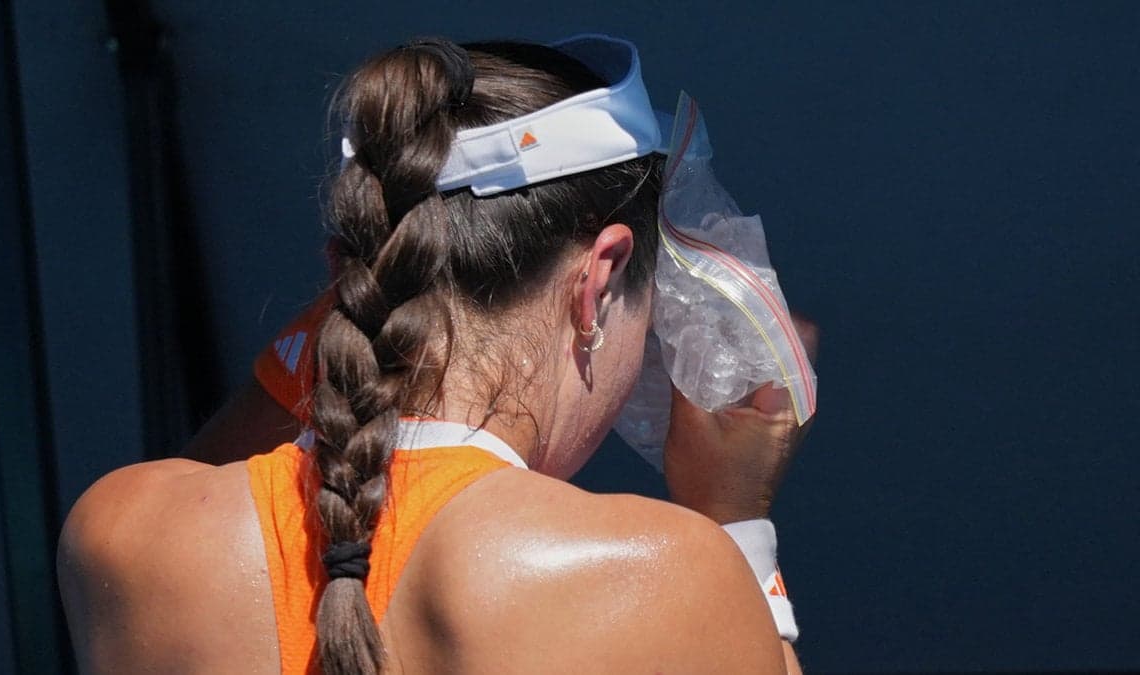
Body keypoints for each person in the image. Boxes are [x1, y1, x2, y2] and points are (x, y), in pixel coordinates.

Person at [58, 35, 817, 674]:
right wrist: (736, 524)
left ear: (348, 274)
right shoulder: (659, 574)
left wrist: (360, 297)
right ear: (600, 278)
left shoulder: (121, 534)